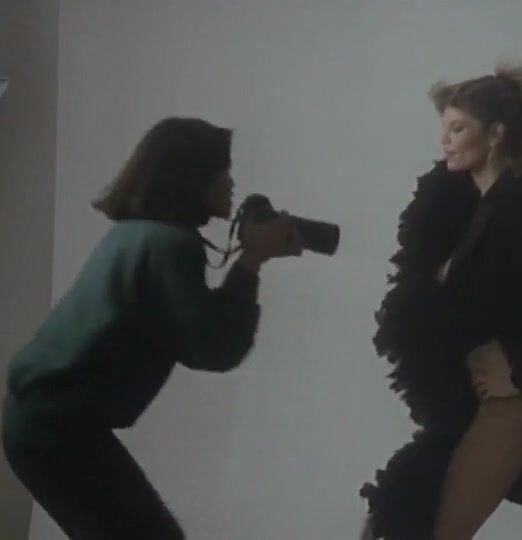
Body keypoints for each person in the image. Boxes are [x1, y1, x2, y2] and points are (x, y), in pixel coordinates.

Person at [2, 117, 302, 539]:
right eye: (222, 170)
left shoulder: (138, 234)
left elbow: (199, 328)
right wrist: (252, 259)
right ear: (193, 176)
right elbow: (215, 347)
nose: (231, 182)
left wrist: (249, 259)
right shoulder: (170, 246)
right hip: (56, 431)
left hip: (41, 423)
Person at [360, 64, 522, 539]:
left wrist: (518, 370)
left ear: (495, 134)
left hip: (509, 410)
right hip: (477, 410)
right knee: (398, 519)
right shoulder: (476, 211)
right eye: (444, 128)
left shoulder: (517, 208)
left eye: (457, 128)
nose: (444, 140)